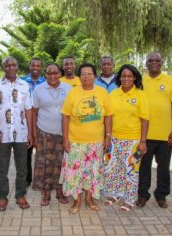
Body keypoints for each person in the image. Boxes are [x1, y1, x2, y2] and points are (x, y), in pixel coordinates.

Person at [60, 63, 113, 214]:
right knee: (75, 173)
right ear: (79, 76)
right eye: (83, 74)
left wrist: (107, 136)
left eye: (89, 74)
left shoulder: (102, 93)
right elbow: (65, 117)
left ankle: (89, 199)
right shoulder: (73, 93)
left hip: (96, 142)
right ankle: (77, 201)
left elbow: (108, 116)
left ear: (95, 76)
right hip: (75, 141)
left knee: (92, 172)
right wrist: (65, 139)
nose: (86, 76)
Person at [137, 52, 172, 208]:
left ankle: (161, 195)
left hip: (165, 134)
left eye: (157, 60)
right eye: (151, 60)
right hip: (145, 134)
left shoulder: (171, 81)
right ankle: (143, 195)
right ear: (146, 63)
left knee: (163, 167)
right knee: (144, 167)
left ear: (162, 62)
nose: (154, 63)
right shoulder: (140, 81)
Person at [103, 64, 149, 211]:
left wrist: (143, 141)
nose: (126, 78)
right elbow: (108, 116)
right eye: (123, 76)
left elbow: (145, 119)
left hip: (133, 140)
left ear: (134, 78)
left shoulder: (141, 95)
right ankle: (116, 194)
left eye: (129, 76)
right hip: (115, 139)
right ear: (119, 77)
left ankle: (129, 198)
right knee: (113, 168)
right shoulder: (113, 94)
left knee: (131, 169)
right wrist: (108, 136)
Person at [0, 56, 32, 211]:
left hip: (21, 133)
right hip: (2, 134)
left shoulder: (25, 86)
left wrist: (31, 133)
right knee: (2, 168)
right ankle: (2, 197)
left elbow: (28, 110)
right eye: (7, 65)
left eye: (14, 65)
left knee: (22, 168)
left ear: (18, 67)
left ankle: (20, 196)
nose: (11, 68)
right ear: (3, 68)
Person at [32, 63, 71, 206]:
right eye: (49, 73)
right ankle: (46, 192)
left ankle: (60, 191)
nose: (52, 76)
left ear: (60, 73)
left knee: (62, 162)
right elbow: (34, 112)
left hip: (64, 133)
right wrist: (34, 135)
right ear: (45, 75)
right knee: (45, 164)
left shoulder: (68, 88)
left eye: (55, 73)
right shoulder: (38, 90)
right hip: (44, 132)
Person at [21, 58, 45, 186]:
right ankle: (26, 179)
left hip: (41, 120)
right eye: (33, 65)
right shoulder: (21, 81)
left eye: (38, 65)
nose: (35, 67)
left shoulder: (46, 82)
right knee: (26, 152)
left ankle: (41, 178)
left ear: (41, 68)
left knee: (42, 151)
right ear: (29, 67)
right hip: (25, 121)